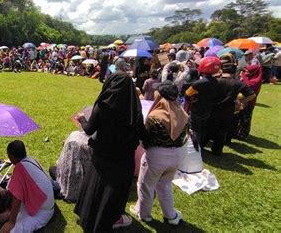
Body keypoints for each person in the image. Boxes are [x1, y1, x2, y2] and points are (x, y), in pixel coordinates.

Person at [74, 71, 145, 231]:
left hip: (102, 156)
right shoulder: (135, 108)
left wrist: (82, 118)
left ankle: (89, 216)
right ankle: (112, 219)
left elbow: (88, 129)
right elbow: (141, 132)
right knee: (114, 193)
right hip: (123, 158)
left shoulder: (103, 105)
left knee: (96, 187)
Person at [130, 81, 188, 225]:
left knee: (146, 186)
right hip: (176, 156)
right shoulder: (183, 114)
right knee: (165, 185)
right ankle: (171, 216)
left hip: (156, 156)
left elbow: (147, 140)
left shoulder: (155, 116)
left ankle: (144, 214)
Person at [0, 140, 54, 233]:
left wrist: (11, 222)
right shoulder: (31, 159)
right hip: (46, 202)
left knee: (10, 231)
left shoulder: (20, 168)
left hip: (42, 211)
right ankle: (10, 214)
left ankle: (11, 217)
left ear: (11, 156)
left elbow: (17, 198)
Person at [207, 54, 255, 155]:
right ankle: (217, 151)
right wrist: (241, 102)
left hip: (213, 108)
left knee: (209, 127)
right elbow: (252, 95)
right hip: (228, 110)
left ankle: (203, 145)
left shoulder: (216, 80)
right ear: (234, 71)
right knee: (222, 131)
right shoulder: (238, 83)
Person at [184, 57, 221, 149]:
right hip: (208, 109)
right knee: (203, 128)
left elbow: (187, 94)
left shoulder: (198, 83)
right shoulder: (216, 81)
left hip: (196, 109)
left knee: (195, 129)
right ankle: (201, 146)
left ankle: (195, 148)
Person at [49, 131, 91, 203]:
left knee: (52, 169)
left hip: (70, 187)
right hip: (86, 188)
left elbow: (60, 165)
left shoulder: (74, 138)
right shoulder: (93, 146)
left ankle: (61, 191)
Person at [232, 60, 263, 140]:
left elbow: (249, 87)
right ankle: (236, 132)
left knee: (245, 119)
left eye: (248, 71)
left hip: (249, 102)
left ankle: (243, 134)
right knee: (238, 117)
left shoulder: (256, 80)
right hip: (242, 100)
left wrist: (243, 77)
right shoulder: (250, 77)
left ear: (254, 72)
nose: (246, 72)